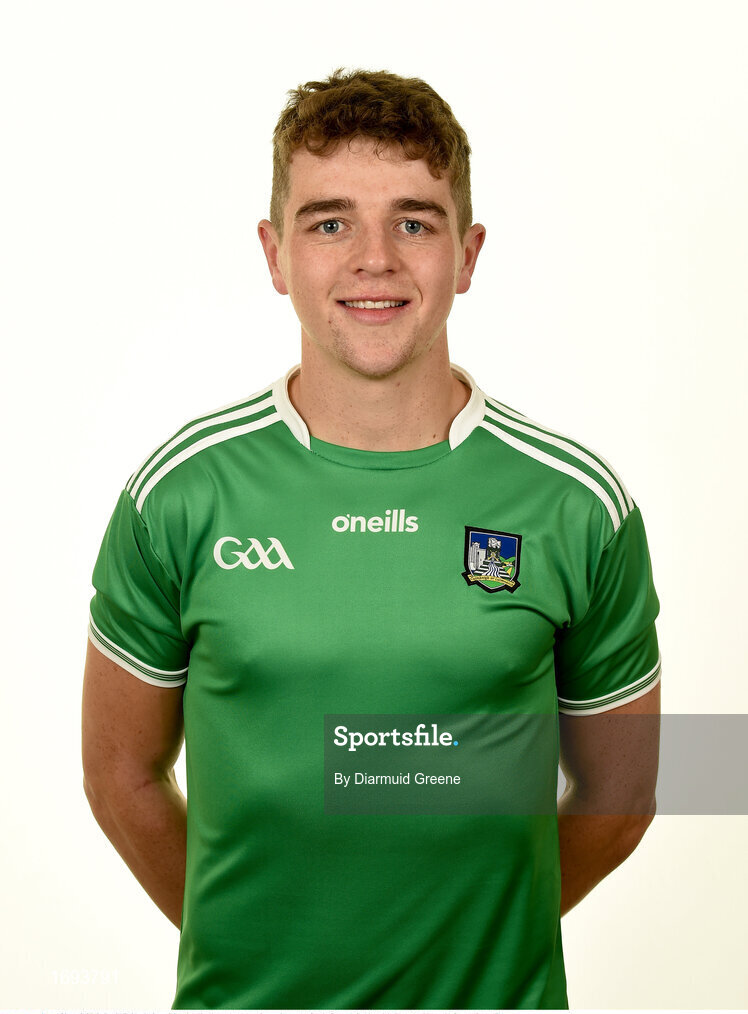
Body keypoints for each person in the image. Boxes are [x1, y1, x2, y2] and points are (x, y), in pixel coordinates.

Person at [82, 68, 661, 1010]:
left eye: (415, 222)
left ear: (467, 255)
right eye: (329, 221)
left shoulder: (576, 506)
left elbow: (624, 793)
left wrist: (482, 936)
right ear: (275, 255)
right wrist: (258, 945)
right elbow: (120, 775)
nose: (374, 259)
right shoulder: (180, 497)